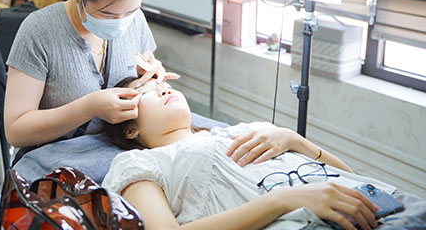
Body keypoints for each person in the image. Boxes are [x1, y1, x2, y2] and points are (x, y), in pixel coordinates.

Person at [101, 78, 403, 230]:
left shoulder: (247, 130)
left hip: (377, 206)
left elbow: (349, 176)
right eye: (149, 92)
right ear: (130, 130)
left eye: (165, 84)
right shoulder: (140, 163)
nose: (165, 90)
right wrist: (284, 200)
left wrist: (295, 139)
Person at [4, 0, 178, 156]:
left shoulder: (136, 21)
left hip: (116, 157)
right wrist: (89, 108)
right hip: (54, 162)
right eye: (107, 14)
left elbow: (140, 91)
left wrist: (147, 79)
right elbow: (16, 131)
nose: (121, 22)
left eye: (131, 11)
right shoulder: (39, 32)